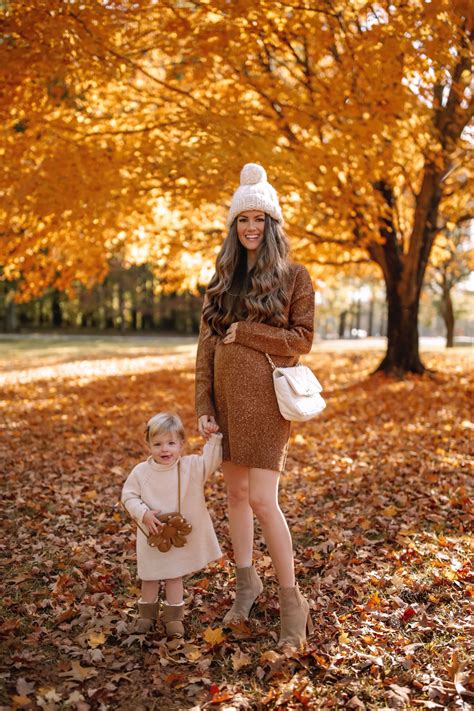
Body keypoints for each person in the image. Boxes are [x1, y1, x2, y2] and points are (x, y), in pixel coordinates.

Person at [195, 163, 315, 647]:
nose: (250, 227)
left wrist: (247, 332)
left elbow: (301, 340)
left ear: (272, 225)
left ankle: (293, 602)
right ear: (233, 226)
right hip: (225, 403)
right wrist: (203, 403)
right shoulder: (222, 279)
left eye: (259, 219)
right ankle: (247, 585)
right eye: (243, 219)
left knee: (264, 499)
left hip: (267, 404)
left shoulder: (294, 276)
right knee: (236, 498)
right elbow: (205, 347)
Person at [121, 412, 222, 647]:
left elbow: (210, 461)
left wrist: (214, 439)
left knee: (174, 574)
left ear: (181, 444)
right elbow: (128, 496)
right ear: (148, 445)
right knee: (150, 576)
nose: (164, 449)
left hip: (177, 535)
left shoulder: (190, 468)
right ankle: (146, 614)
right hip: (152, 535)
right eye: (157, 444)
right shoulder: (141, 472)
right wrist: (143, 513)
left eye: (171, 443)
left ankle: (174, 617)